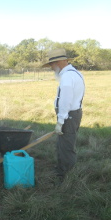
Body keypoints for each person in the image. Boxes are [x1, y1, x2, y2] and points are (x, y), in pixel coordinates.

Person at [42, 48, 85, 180]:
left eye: (51, 65)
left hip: (69, 116)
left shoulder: (67, 77)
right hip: (71, 114)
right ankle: (62, 169)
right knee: (63, 143)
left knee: (66, 145)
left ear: (58, 62)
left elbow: (66, 101)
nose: (51, 68)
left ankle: (67, 176)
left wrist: (61, 121)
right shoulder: (75, 73)